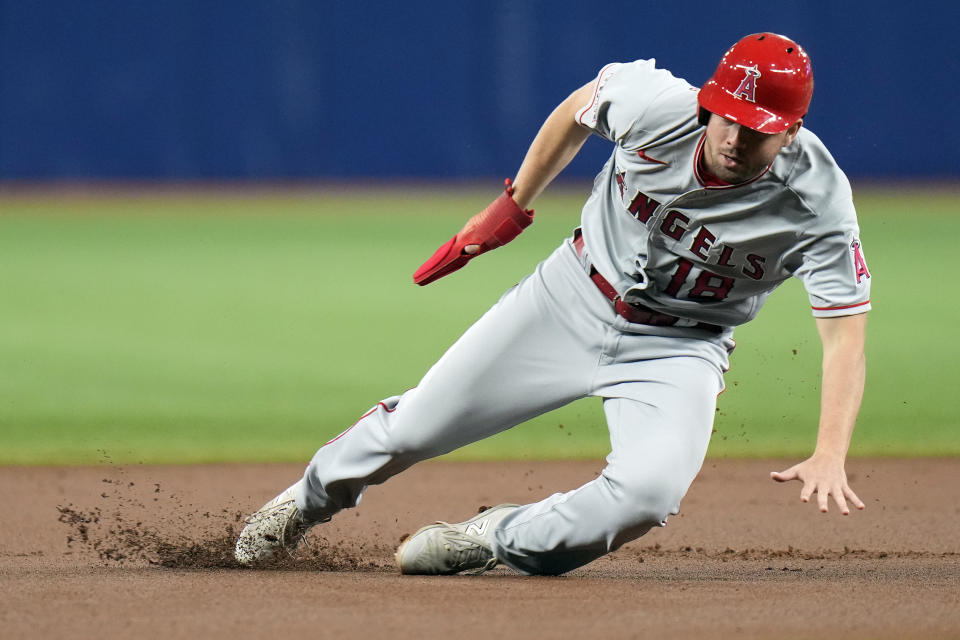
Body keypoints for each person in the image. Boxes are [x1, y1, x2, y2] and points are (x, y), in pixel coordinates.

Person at [234, 32, 871, 576]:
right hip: (570, 297)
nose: (733, 137)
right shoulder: (656, 108)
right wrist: (514, 202)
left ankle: (492, 539)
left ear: (790, 131)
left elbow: (844, 335)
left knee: (647, 495)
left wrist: (830, 450)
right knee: (417, 425)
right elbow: (578, 109)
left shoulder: (819, 202)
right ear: (710, 101)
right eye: (727, 114)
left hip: (681, 346)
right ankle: (299, 504)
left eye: (756, 129)